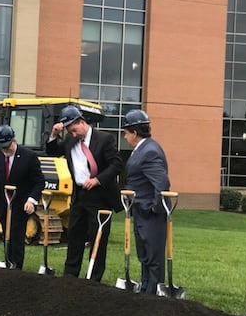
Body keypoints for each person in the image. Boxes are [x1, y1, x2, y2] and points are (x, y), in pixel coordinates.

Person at [46, 105, 122, 281]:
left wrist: (97, 180)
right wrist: (54, 135)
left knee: (98, 238)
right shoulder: (71, 141)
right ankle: (70, 274)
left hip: (100, 196)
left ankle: (93, 277)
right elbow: (52, 151)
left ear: (82, 123)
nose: (73, 134)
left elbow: (116, 165)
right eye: (69, 132)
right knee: (74, 235)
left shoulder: (104, 139)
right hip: (79, 195)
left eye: (74, 130)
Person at [0, 125, 45, 269]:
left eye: (6, 147)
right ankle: (8, 260)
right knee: (6, 232)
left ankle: (16, 265)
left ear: (13, 141)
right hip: (3, 201)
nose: (4, 151)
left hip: (21, 202)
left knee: (17, 233)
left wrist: (31, 200)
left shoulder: (29, 156)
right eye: (1, 148)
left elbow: (39, 182)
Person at [122, 109, 170, 295]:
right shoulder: (141, 150)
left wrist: (154, 208)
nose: (125, 137)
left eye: (126, 133)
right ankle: (145, 287)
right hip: (140, 210)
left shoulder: (149, 152)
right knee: (144, 253)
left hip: (150, 213)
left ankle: (153, 291)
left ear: (134, 132)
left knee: (152, 254)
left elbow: (162, 183)